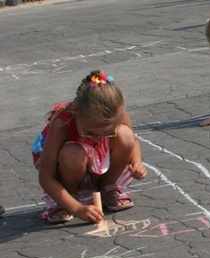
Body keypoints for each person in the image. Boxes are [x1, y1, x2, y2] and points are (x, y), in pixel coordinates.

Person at [31, 70, 147, 223]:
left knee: (125, 135)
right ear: (76, 112)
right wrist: (76, 208)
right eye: (92, 133)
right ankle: (67, 199)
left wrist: (136, 162)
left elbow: (133, 141)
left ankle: (108, 188)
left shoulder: (117, 116)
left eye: (106, 133)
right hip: (69, 168)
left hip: (96, 164)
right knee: (72, 154)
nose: (98, 138)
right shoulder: (61, 124)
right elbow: (46, 177)